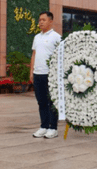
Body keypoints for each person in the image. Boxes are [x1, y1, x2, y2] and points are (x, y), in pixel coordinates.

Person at [30, 11, 62, 139]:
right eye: (39, 20)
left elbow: (61, 56)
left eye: (43, 20)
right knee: (41, 102)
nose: (41, 22)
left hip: (50, 75)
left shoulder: (56, 37)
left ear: (50, 21)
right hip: (38, 74)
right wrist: (31, 71)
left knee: (52, 102)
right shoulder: (37, 37)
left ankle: (53, 128)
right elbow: (34, 54)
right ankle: (43, 126)